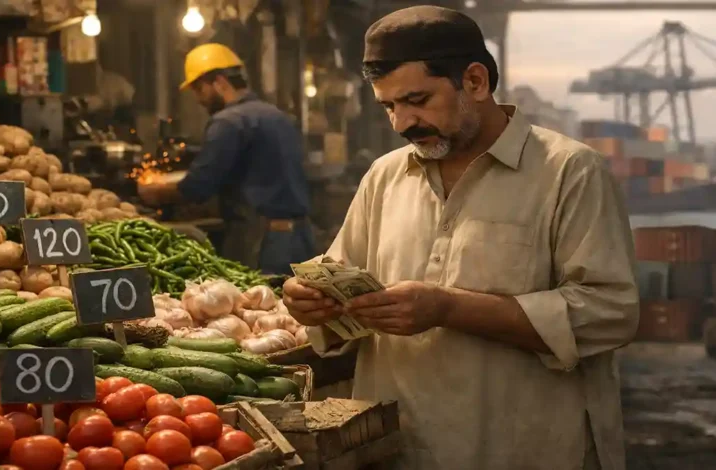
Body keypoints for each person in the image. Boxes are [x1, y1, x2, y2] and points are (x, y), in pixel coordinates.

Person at [282, 6, 638, 470]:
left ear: (475, 81)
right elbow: (341, 285)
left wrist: (447, 308)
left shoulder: (570, 172)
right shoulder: (385, 176)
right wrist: (312, 304)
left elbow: (610, 313)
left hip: (521, 448)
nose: (401, 123)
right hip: (401, 447)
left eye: (417, 100)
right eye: (389, 107)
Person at [138, 43, 315, 274]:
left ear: (220, 82)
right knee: (294, 296)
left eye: (199, 89)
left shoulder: (228, 121)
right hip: (301, 237)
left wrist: (154, 191)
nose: (198, 99)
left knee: (255, 295)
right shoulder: (276, 115)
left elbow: (199, 185)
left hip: (263, 243)